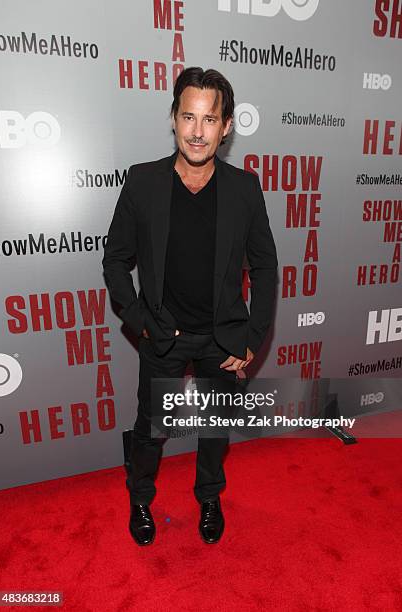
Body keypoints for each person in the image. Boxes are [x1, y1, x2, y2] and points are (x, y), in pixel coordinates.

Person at [102, 66, 278, 546]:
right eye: (188, 117)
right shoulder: (142, 183)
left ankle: (209, 496)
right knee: (150, 428)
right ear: (174, 120)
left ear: (226, 127)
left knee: (215, 429)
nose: (197, 131)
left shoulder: (245, 189)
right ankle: (140, 497)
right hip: (164, 334)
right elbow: (115, 260)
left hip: (223, 338)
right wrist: (140, 321)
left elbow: (265, 267)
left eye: (209, 119)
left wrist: (251, 336)